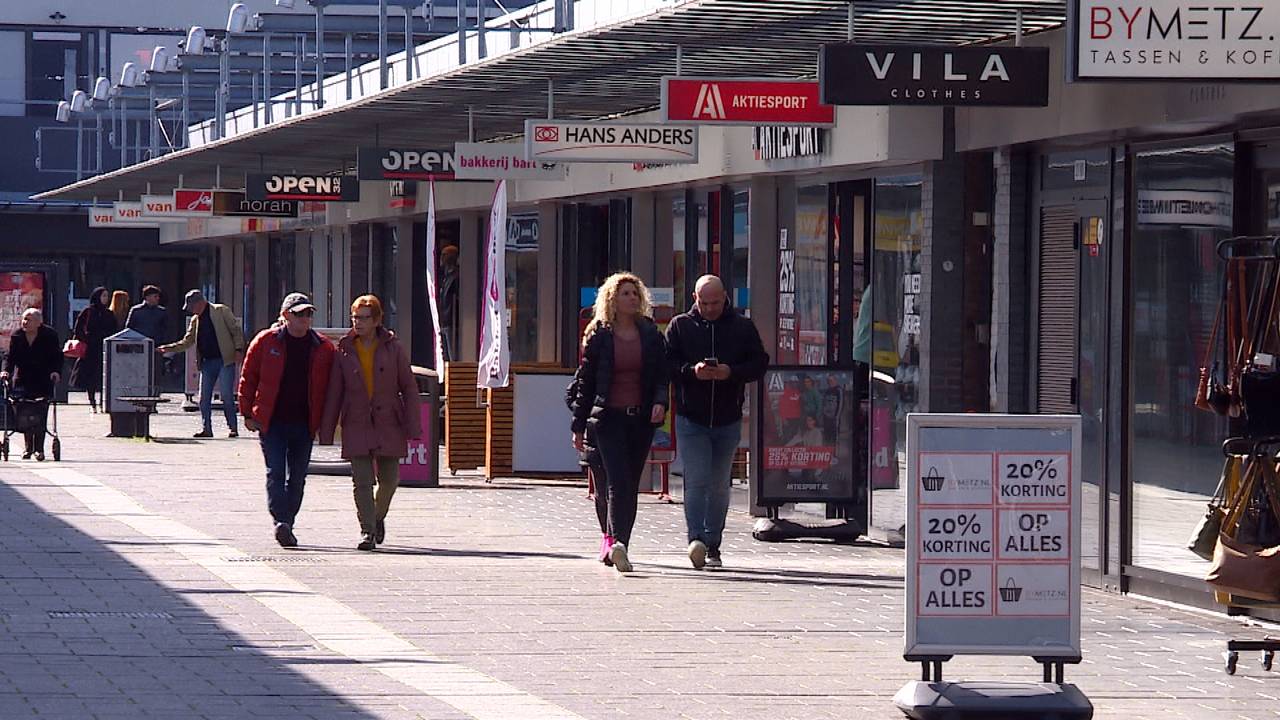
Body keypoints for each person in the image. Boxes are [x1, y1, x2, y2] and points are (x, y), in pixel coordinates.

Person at [567, 272, 668, 574]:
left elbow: (662, 373)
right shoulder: (599, 335)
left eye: (635, 293)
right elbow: (585, 383)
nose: (632, 298)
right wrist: (578, 424)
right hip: (607, 418)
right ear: (612, 299)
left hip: (639, 419)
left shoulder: (650, 333)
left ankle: (619, 543)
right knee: (617, 481)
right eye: (625, 294)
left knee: (630, 484)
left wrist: (661, 401)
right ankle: (615, 542)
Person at [665, 275, 769, 570]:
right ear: (695, 299)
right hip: (691, 416)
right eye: (704, 302)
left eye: (715, 302)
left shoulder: (742, 326)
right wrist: (691, 371)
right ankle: (695, 539)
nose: (710, 308)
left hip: (727, 417)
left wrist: (730, 372)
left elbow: (759, 362)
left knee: (720, 483)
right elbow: (666, 363)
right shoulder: (680, 326)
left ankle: (713, 542)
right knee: (696, 479)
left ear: (725, 297)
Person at [320, 295, 422, 551]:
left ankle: (376, 517)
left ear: (377, 320)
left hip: (389, 420)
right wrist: (327, 430)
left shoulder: (393, 348)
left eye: (364, 318)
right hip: (356, 420)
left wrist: (414, 424)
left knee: (390, 479)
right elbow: (335, 391)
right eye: (355, 317)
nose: (358, 322)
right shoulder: (344, 349)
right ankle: (367, 530)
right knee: (362, 481)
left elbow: (409, 387)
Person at [239, 293, 336, 548]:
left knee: (298, 476)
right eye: (299, 313)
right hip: (271, 421)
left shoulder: (323, 347)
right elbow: (248, 378)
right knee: (276, 472)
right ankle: (281, 520)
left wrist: (327, 423)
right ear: (285, 316)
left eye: (308, 314)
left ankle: (287, 523)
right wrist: (246, 413)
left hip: (304, 423)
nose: (305, 319)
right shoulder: (265, 341)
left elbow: (332, 386)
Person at [157, 289, 246, 438]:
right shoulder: (195, 320)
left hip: (225, 359)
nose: (191, 310)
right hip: (207, 362)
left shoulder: (221, 311)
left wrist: (238, 349)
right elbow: (187, 341)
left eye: (191, 306)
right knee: (204, 397)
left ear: (200, 303)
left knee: (226, 395)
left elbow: (236, 331)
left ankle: (233, 428)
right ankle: (207, 429)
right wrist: (169, 348)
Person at [1, 308, 62, 460]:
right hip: (23, 378)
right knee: (24, 411)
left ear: (39, 322)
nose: (24, 322)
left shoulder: (49, 335)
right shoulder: (18, 336)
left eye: (28, 319)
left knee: (40, 412)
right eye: (23, 319)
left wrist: (56, 371)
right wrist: (5, 371)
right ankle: (28, 448)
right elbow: (10, 357)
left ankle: (39, 449)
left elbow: (56, 356)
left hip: (43, 379)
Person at [70, 287, 118, 413]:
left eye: (107, 296)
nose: (106, 299)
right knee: (90, 377)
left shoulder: (109, 313)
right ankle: (92, 401)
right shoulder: (88, 311)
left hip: (104, 349)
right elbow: (78, 329)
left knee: (103, 376)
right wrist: (86, 339)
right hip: (90, 349)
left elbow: (114, 330)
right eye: (103, 296)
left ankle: (103, 402)